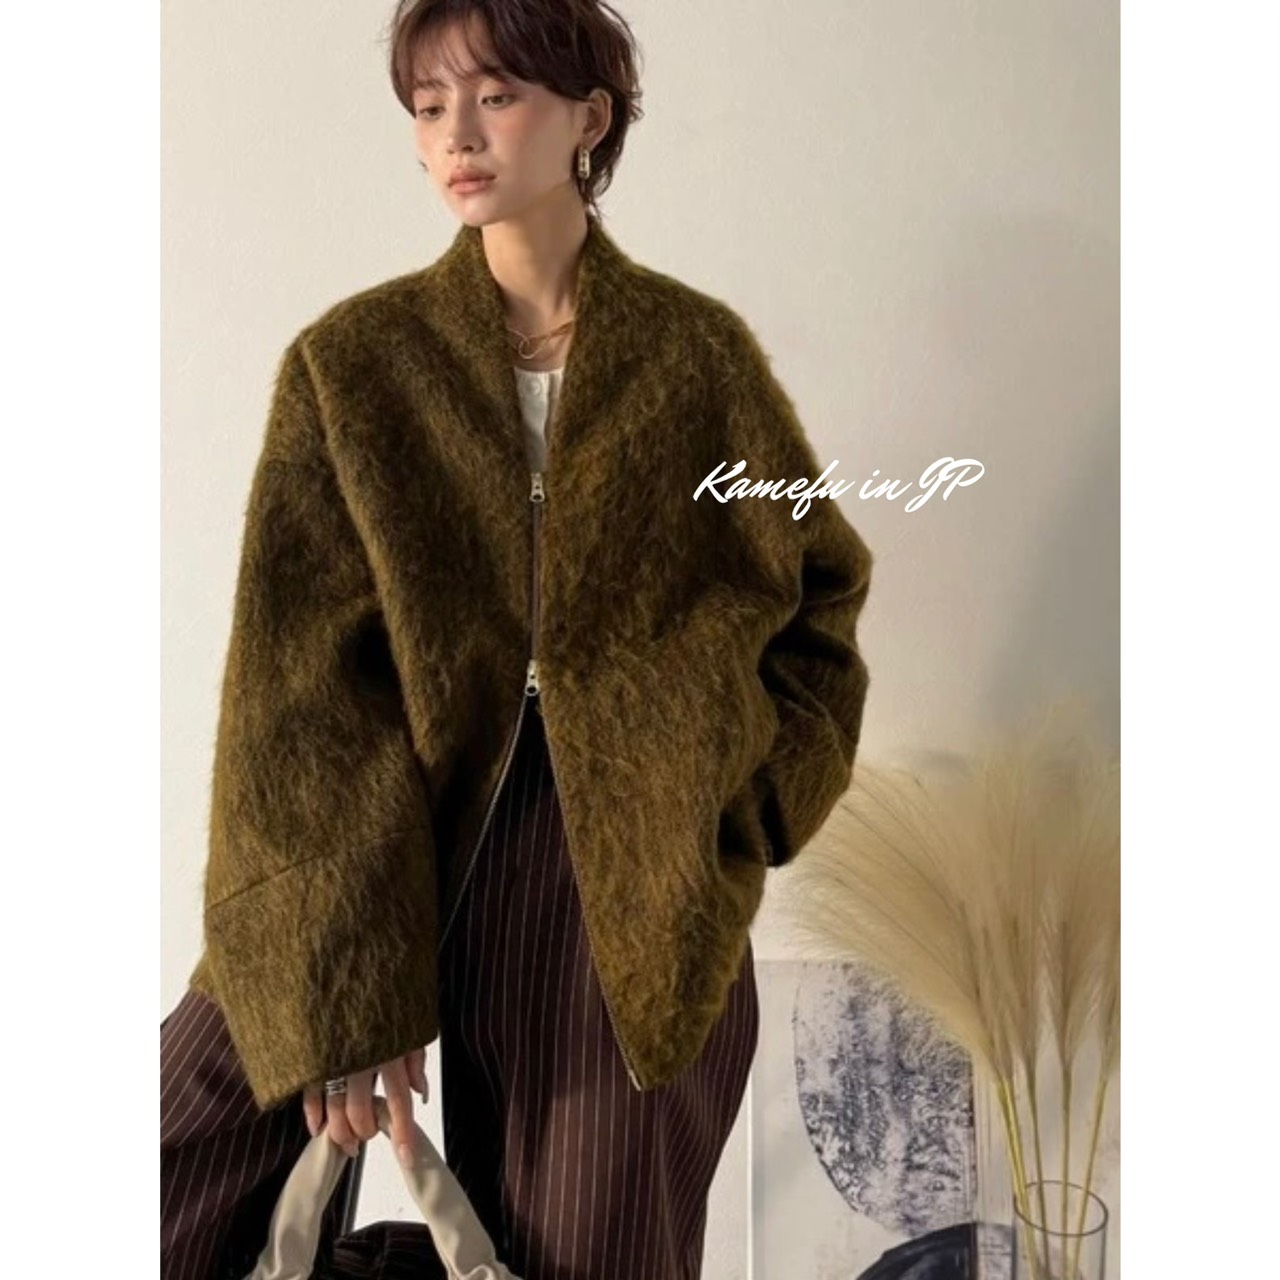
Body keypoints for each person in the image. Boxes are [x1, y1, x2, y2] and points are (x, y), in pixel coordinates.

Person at [160, 2, 874, 1278]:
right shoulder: (352, 366)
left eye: (494, 97)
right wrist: (350, 973)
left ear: (586, 117)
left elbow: (818, 595)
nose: (456, 136)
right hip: (365, 840)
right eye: (428, 106)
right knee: (160, 1168)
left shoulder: (694, 361)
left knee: (593, 1239)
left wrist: (739, 810)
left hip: (626, 891)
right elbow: (298, 682)